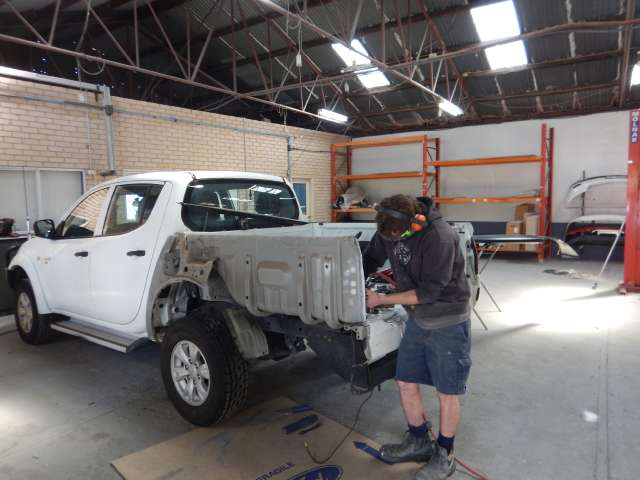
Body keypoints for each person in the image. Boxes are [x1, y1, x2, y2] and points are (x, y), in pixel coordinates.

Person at [362, 194, 472, 480]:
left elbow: (429, 292)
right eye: (388, 237)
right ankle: (419, 440)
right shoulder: (390, 226)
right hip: (418, 318)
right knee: (405, 381)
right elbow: (371, 258)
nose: (393, 241)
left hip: (447, 319)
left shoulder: (440, 237)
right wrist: (349, 281)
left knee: (447, 392)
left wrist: (381, 299)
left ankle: (445, 454)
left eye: (398, 236)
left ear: (416, 222)